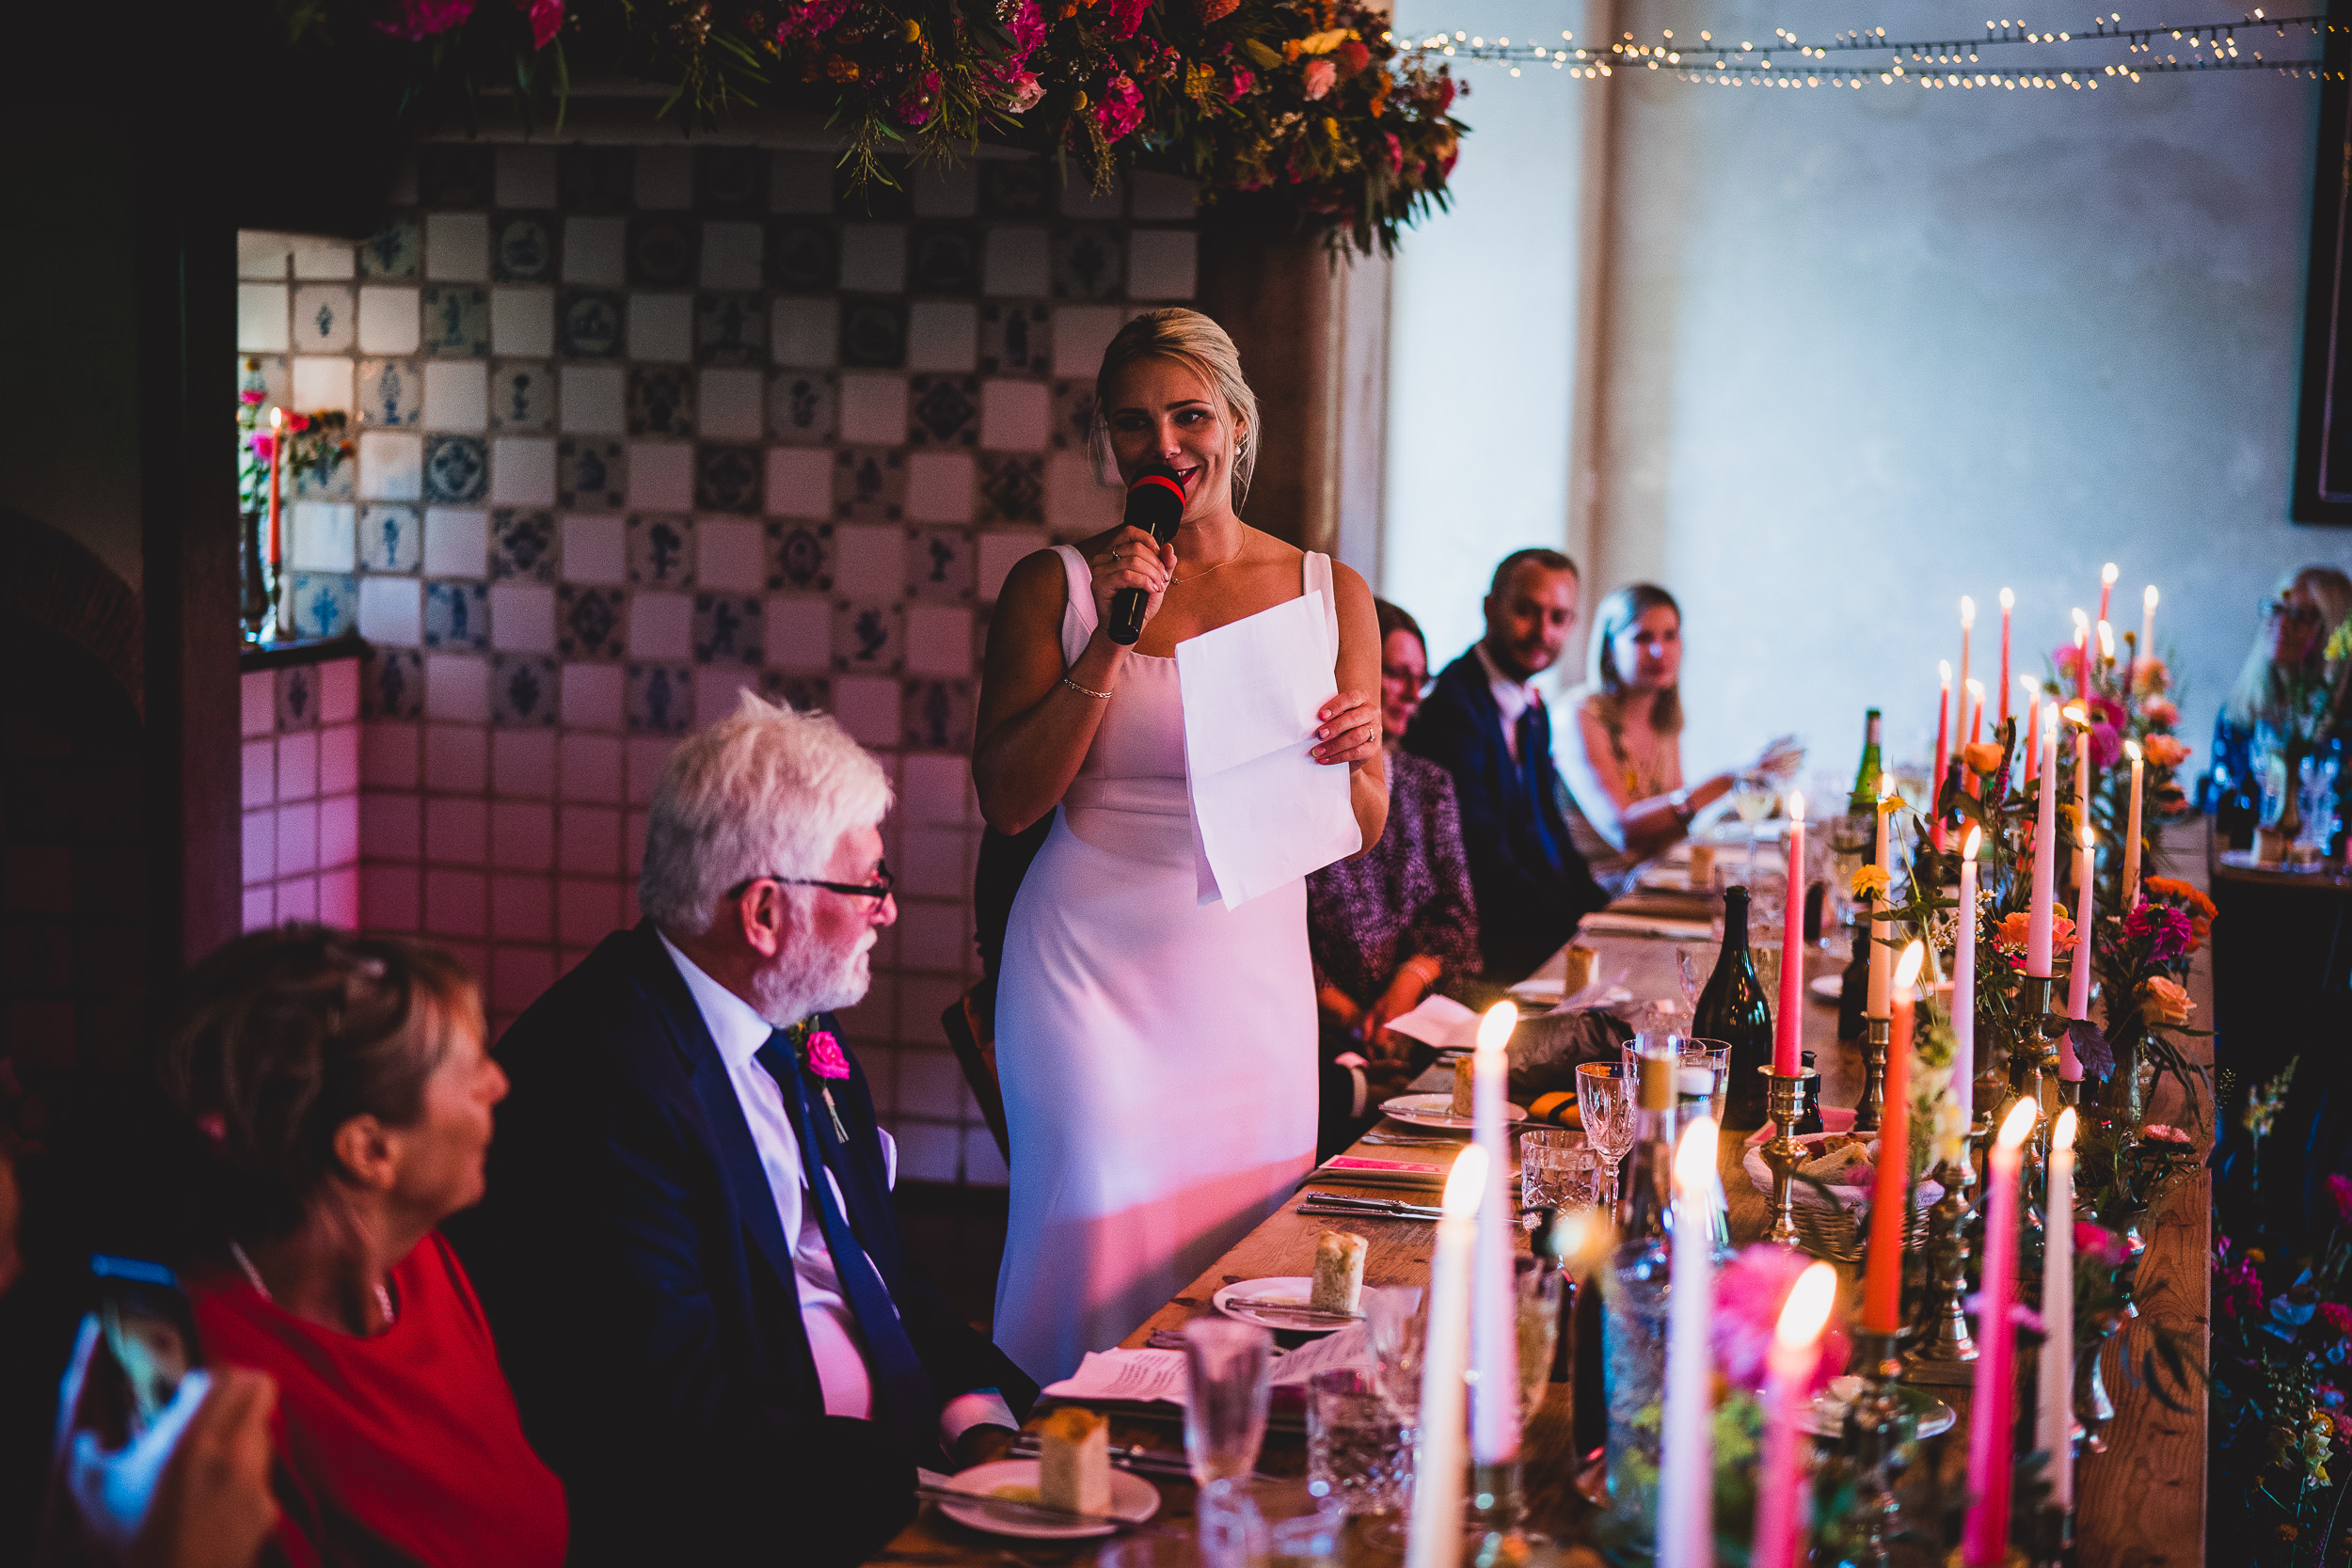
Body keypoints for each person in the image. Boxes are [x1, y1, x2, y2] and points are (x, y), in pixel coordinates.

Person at [449, 693, 1033, 1568]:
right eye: (866, 883)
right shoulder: (607, 1083)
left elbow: (887, 1276)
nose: (887, 910)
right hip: (752, 1522)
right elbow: (668, 1412)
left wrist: (983, 1426)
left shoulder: (795, 1022)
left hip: (892, 1468)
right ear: (763, 914)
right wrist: (927, 1487)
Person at [974, 307, 1387, 1383]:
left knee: (1237, 1241)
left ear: (1237, 424)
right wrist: (1112, 633)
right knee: (1096, 1227)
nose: (1166, 446)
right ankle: (1060, 1467)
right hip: (1085, 969)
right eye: (1134, 424)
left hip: (1244, 972)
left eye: (1190, 415)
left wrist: (1360, 751)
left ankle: (1211, 1479)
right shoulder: (1052, 587)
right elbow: (1011, 802)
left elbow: (1364, 822)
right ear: (1106, 443)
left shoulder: (1325, 592)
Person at [153, 927, 565, 1568]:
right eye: (468, 1069)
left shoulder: (423, 1266)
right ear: (370, 1150)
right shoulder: (222, 1374)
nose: (499, 1083)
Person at [1306, 599, 1481, 1157]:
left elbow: (1457, 917)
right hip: (1323, 1031)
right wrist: (1358, 1018)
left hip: (1423, 1014)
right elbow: (1274, 934)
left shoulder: (1429, 784)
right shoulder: (1295, 791)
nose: (1411, 693)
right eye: (1395, 674)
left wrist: (1405, 988)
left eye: (1419, 678)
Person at [1404, 548, 1609, 986]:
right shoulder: (1452, 706)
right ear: (1490, 608)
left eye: (1558, 617)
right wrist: (1573, 923)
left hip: (1532, 926)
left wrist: (1604, 912)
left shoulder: (1533, 708)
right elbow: (1483, 854)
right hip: (1487, 943)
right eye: (1525, 611)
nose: (1542, 632)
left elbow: (1550, 829)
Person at [1555, 584, 1803, 893]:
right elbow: (1625, 832)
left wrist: (1730, 809)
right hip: (1594, 892)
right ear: (1608, 649)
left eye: (1670, 635)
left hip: (1649, 880)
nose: (1660, 651)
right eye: (1642, 638)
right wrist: (1729, 778)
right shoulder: (1578, 715)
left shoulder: (1662, 718)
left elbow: (1671, 829)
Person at [2207, 565, 2352, 840]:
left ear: (2333, 631)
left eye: (2299, 615)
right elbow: (2217, 824)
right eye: (2277, 609)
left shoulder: (2345, 728)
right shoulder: (2240, 718)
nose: (2283, 624)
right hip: (2242, 877)